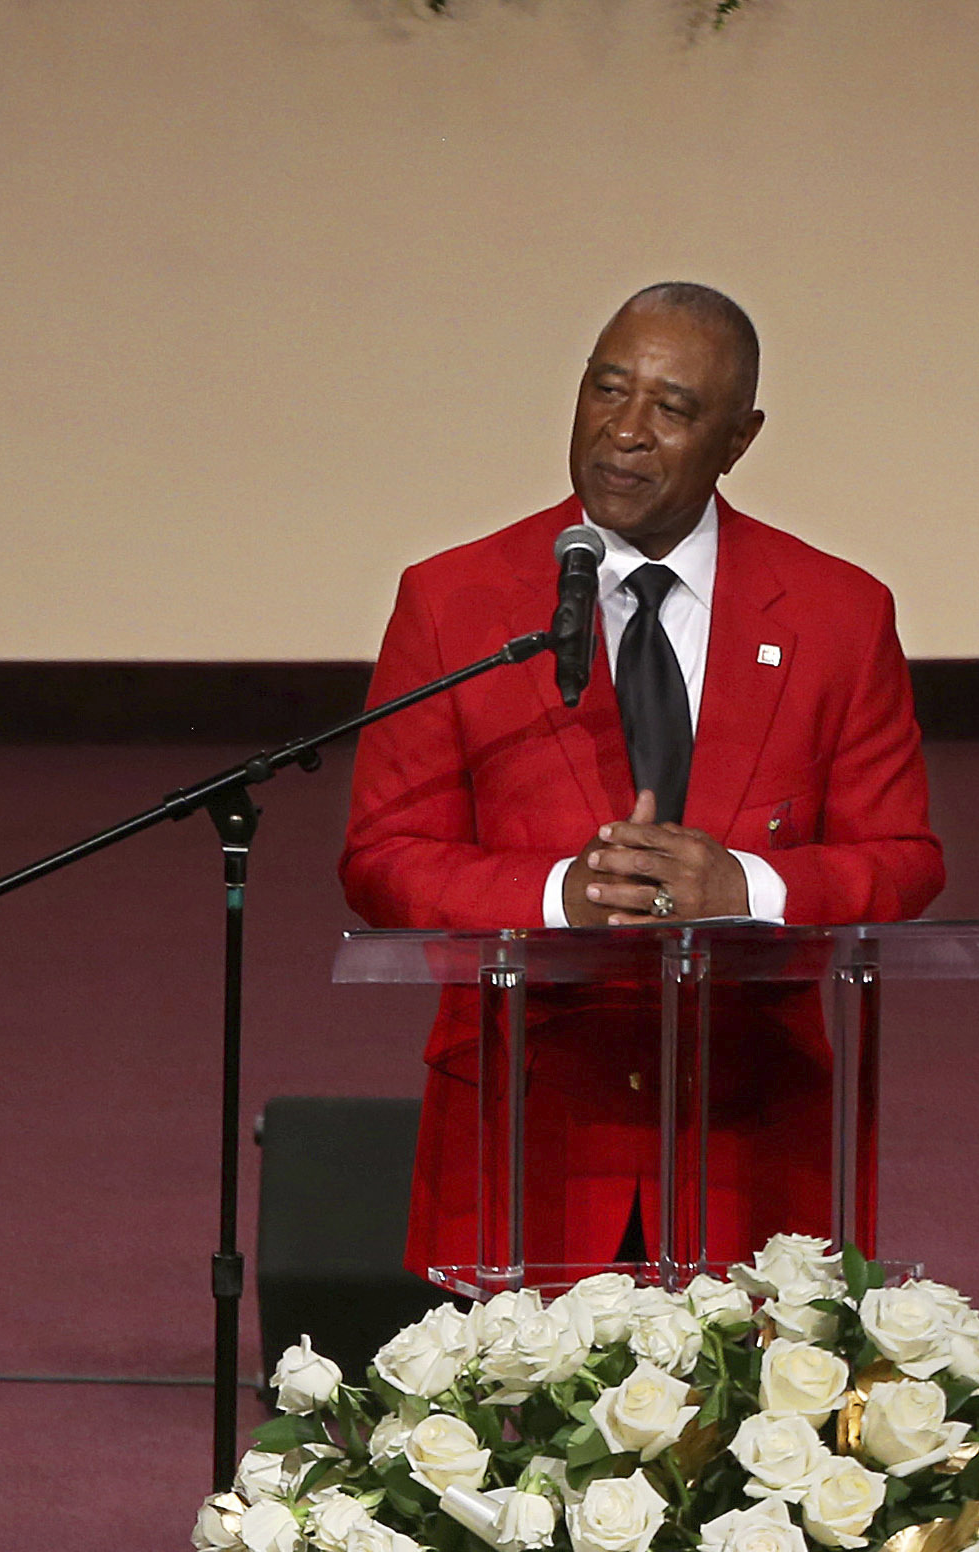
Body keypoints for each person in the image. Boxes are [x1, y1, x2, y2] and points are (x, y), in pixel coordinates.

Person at [340, 282, 945, 1280]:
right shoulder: (453, 601)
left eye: (671, 408)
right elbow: (385, 858)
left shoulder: (840, 612)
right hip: (530, 1132)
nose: (623, 432)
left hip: (751, 1132)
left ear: (738, 439)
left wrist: (744, 886)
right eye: (606, 390)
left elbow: (906, 860)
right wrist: (557, 895)